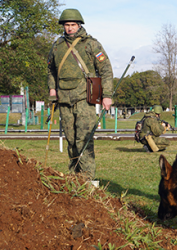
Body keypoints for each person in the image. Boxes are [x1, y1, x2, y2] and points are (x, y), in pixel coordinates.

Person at [47, 9, 113, 181]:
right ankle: (74, 176)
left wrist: (107, 95)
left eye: (73, 25)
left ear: (79, 25)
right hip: (64, 98)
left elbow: (105, 69)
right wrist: (52, 89)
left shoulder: (91, 44)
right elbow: (51, 70)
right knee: (71, 139)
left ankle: (88, 178)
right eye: (67, 25)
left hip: (85, 98)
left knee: (84, 140)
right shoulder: (57, 46)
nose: (69, 28)